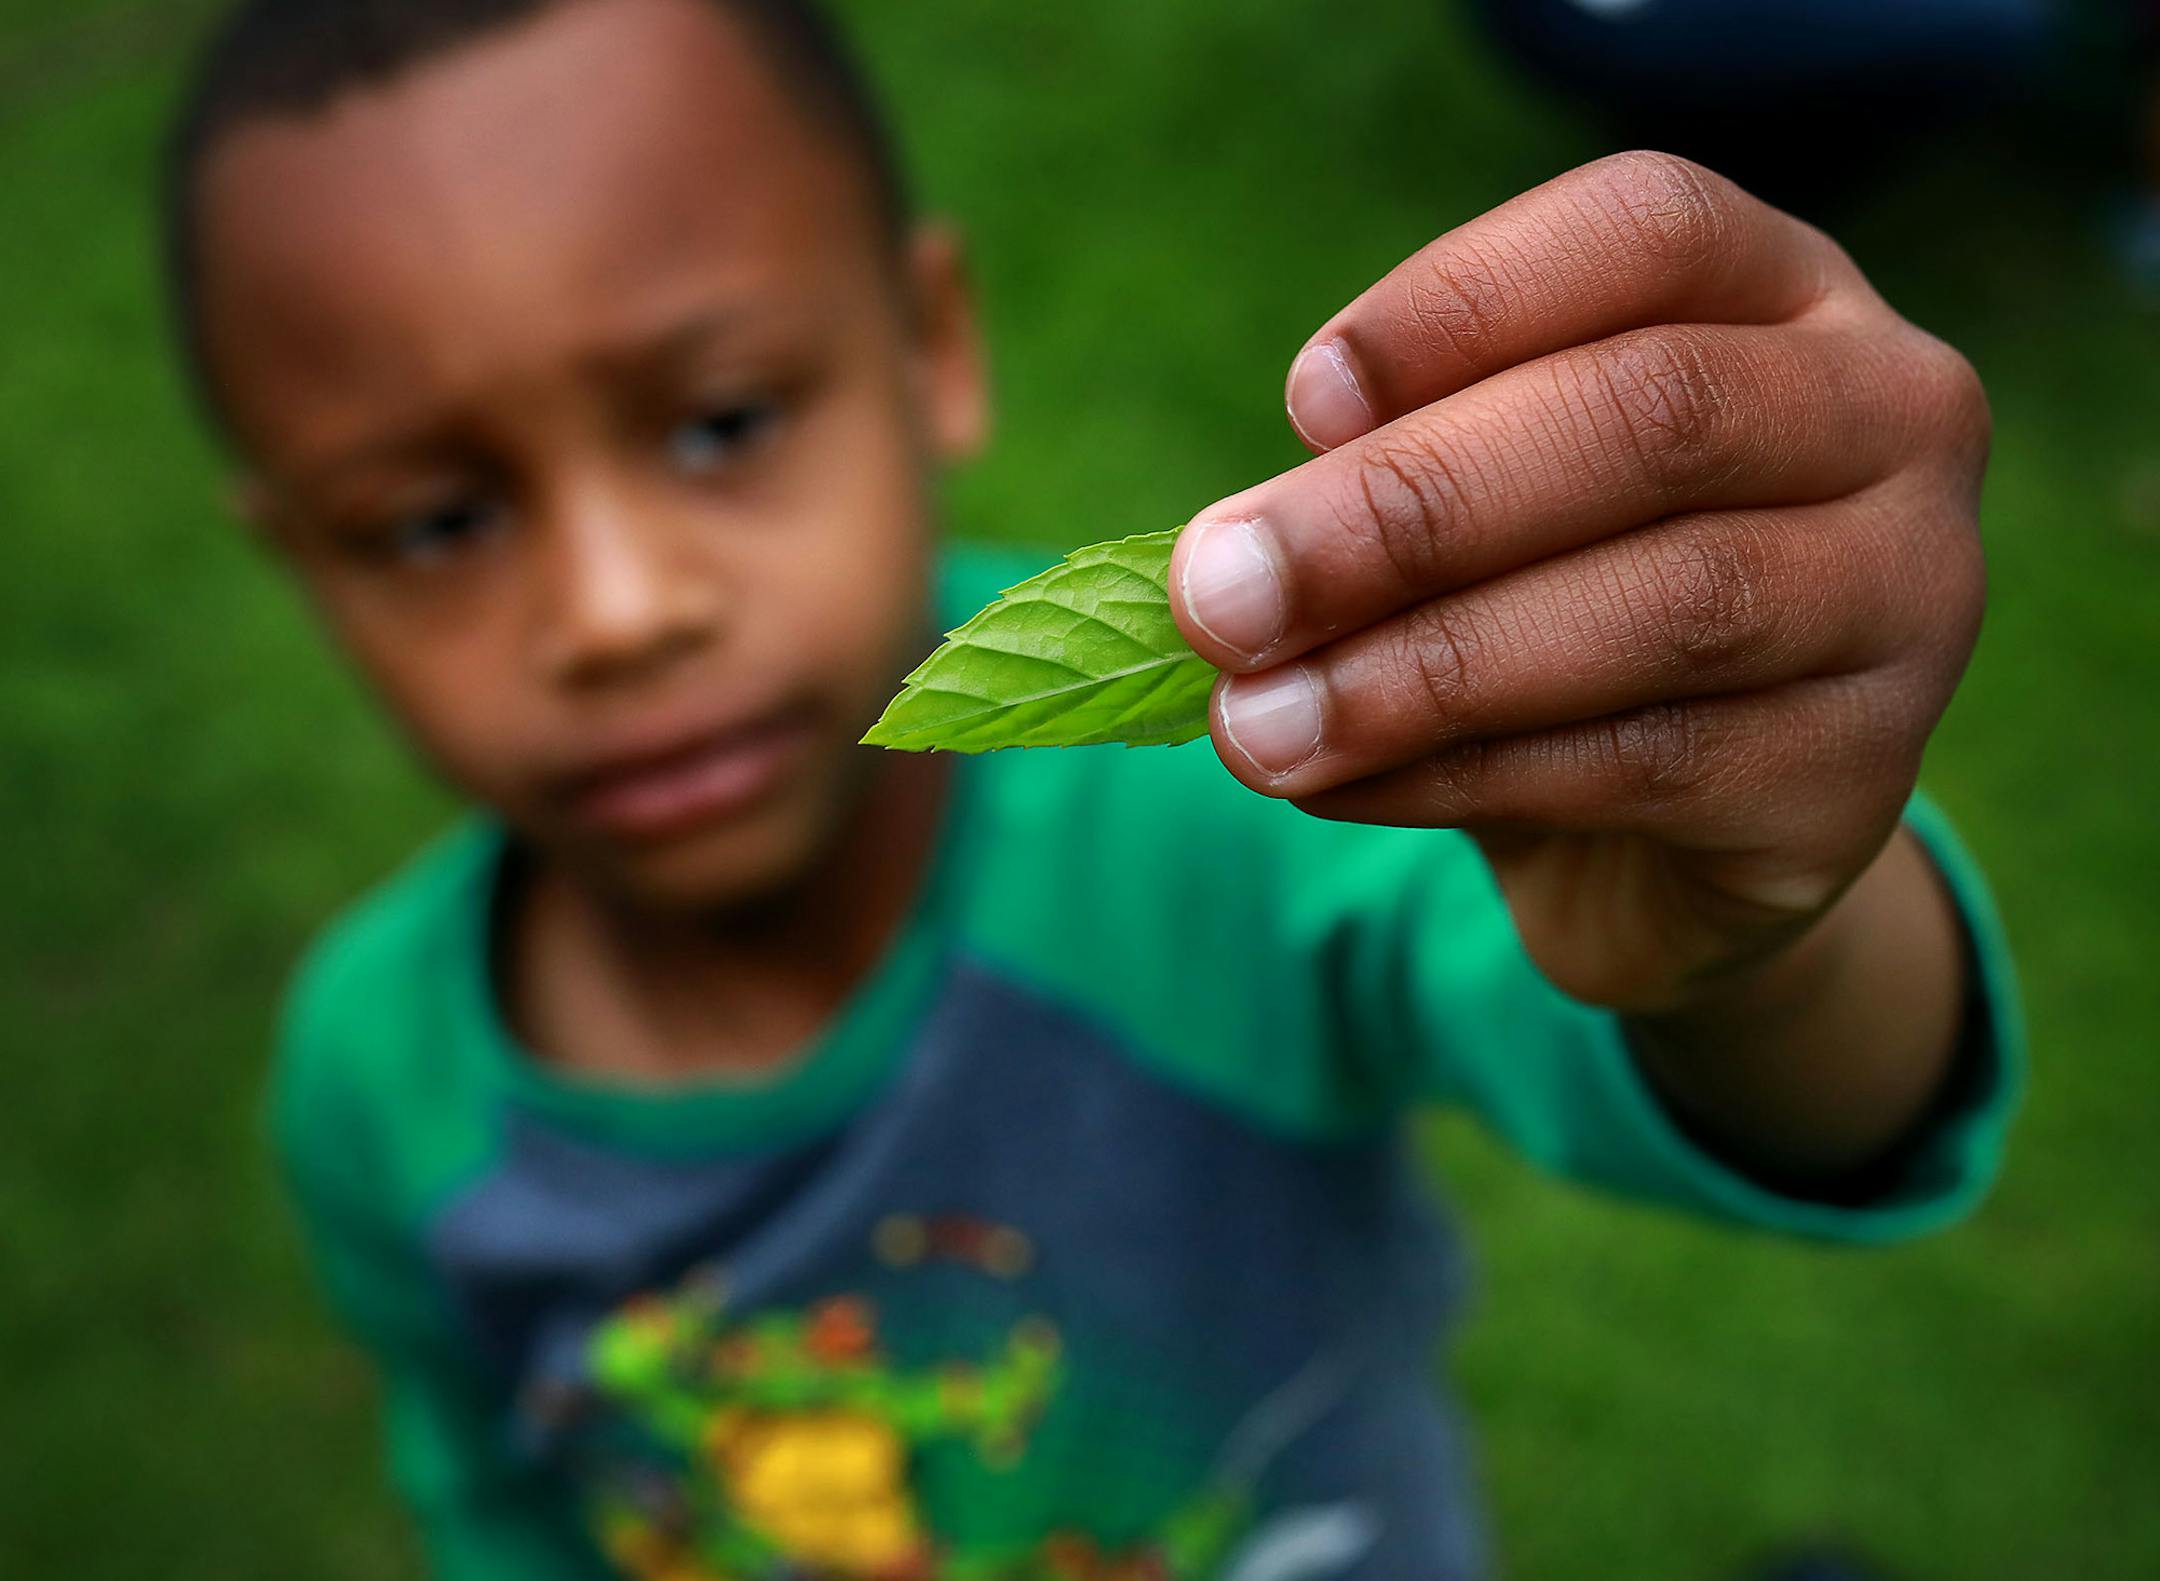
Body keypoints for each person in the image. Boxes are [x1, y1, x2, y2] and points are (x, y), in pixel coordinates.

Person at [159, 0, 2021, 1576]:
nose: (620, 612)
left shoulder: (1244, 806)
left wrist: (1764, 917)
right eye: (438, 520)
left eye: (722, 422)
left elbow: (1767, 1063)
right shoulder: (368, 1077)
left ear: (932, 346)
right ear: (297, 555)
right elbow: (496, 1497)